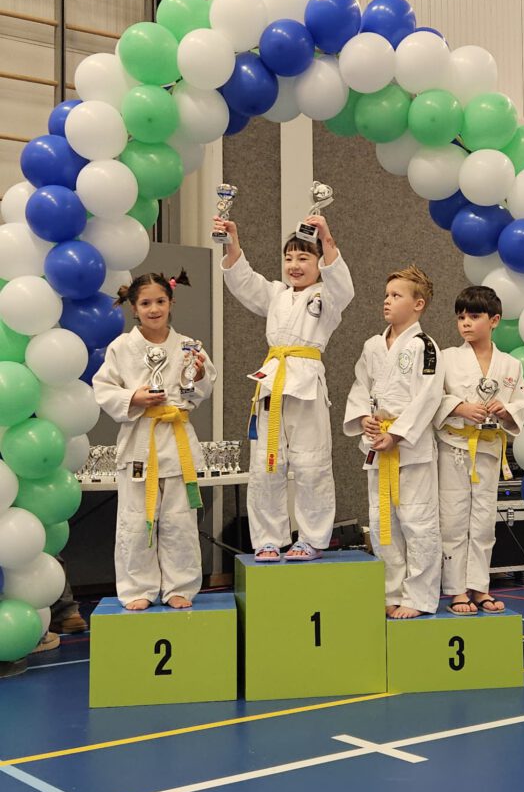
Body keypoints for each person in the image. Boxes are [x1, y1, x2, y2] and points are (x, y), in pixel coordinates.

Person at [215, 213, 354, 562]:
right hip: (272, 384)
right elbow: (244, 280)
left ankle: (311, 538)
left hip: (307, 386)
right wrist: (232, 240)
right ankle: (268, 539)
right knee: (266, 464)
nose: (294, 265)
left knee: (311, 465)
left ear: (319, 263)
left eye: (303, 258)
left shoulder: (327, 297)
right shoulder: (277, 294)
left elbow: (343, 285)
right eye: (289, 258)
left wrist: (326, 236)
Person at [92, 270, 216, 610]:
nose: (154, 309)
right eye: (146, 303)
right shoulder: (121, 347)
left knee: (180, 521)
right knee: (134, 521)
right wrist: (133, 397)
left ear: (171, 303)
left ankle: (180, 586)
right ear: (134, 308)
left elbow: (201, 389)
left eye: (160, 301)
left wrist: (199, 375)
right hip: (139, 443)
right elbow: (104, 389)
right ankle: (137, 588)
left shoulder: (189, 345)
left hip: (176, 442)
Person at [344, 266, 444, 618]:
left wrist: (397, 433)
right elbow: (361, 386)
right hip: (377, 442)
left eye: (396, 295)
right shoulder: (373, 345)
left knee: (418, 521)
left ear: (418, 304)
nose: (387, 301)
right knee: (381, 521)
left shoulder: (425, 347)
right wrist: (364, 419)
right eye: (386, 295)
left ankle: (419, 597)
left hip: (410, 447)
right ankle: (391, 590)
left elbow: (429, 396)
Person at [435, 285, 524, 615]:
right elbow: (431, 397)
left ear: (494, 320)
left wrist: (506, 409)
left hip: (489, 449)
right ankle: (456, 590)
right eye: (460, 317)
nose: (465, 323)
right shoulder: (447, 358)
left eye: (474, 316)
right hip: (454, 447)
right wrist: (459, 407)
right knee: (453, 520)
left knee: (483, 522)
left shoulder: (510, 364)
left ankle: (479, 587)